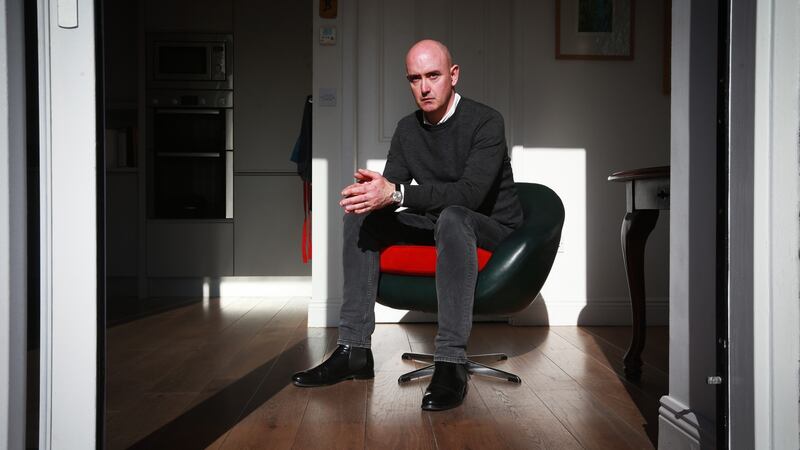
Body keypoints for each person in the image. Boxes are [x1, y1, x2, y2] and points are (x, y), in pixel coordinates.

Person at [292, 39, 523, 411]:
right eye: (415, 79)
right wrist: (372, 194)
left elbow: (470, 195)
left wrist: (396, 192)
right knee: (360, 218)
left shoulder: (486, 121)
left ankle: (450, 360)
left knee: (454, 216)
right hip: (440, 223)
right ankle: (353, 350)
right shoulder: (407, 129)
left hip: (491, 228)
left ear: (453, 75)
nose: (425, 87)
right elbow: (393, 190)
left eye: (433, 75)